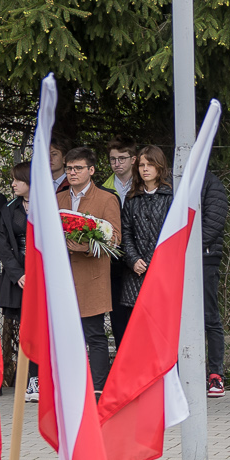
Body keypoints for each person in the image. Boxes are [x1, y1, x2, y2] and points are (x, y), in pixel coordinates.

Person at [60, 145, 122, 391]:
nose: (72, 173)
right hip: (63, 276)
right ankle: (69, 386)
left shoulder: (107, 198)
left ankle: (97, 388)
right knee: (64, 334)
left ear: (91, 170)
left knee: (93, 333)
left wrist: (84, 245)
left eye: (78, 168)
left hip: (92, 276)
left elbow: (115, 238)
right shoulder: (58, 198)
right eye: (68, 168)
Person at [116, 146, 174, 349]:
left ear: (160, 166)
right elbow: (125, 233)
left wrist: (151, 261)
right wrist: (133, 260)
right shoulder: (132, 198)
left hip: (161, 272)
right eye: (141, 165)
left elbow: (169, 235)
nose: (145, 169)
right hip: (136, 273)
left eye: (150, 164)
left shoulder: (170, 197)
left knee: (160, 329)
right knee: (137, 331)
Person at [0, 161, 36, 402]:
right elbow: (3, 246)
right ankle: (27, 380)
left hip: (43, 277)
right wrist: (18, 274)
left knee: (44, 329)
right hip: (18, 278)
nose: (13, 184)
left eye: (18, 180)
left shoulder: (51, 206)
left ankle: (41, 379)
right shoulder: (9, 209)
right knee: (24, 330)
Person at [200, 165, 229, 396]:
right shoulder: (171, 183)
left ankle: (215, 375)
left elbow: (214, 223)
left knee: (210, 317)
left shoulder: (211, 183)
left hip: (204, 258)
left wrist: (186, 249)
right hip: (175, 257)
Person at [107, 141, 139, 347]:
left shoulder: (143, 184)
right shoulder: (104, 187)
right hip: (116, 257)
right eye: (112, 159)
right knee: (118, 311)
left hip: (140, 255)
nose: (117, 163)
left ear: (133, 160)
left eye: (122, 159)